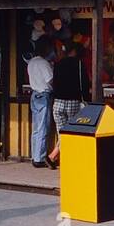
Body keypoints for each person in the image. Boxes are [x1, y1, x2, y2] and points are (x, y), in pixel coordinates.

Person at [48, 42, 91, 170]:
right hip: (73, 101)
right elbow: (84, 83)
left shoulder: (58, 64)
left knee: (62, 132)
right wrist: (86, 99)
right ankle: (55, 156)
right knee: (71, 133)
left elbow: (54, 83)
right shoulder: (78, 64)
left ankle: (55, 157)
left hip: (58, 102)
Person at [28, 39, 55, 167]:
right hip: (44, 95)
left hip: (34, 94)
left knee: (36, 127)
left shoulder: (31, 62)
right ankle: (39, 158)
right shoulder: (44, 63)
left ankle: (34, 155)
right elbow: (51, 80)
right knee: (43, 126)